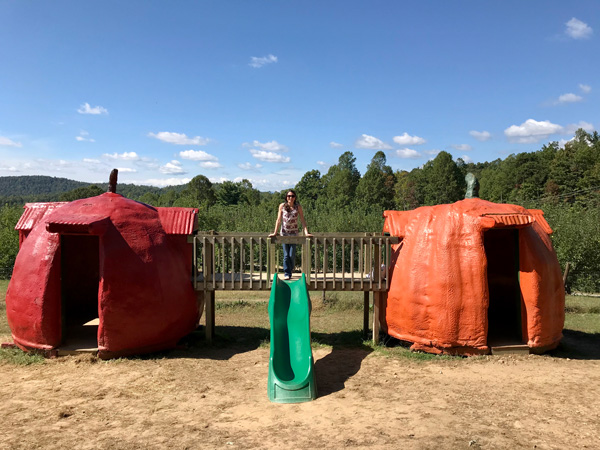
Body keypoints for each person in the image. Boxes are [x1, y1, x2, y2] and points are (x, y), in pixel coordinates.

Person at [269, 190, 312, 280]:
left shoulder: (298, 207)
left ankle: (290, 269)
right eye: (289, 196)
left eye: (292, 196)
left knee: (291, 255)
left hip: (294, 234)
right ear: (286, 197)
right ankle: (287, 273)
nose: (290, 198)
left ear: (295, 197)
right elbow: (278, 220)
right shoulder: (282, 206)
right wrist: (275, 232)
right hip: (284, 234)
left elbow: (302, 220)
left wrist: (306, 232)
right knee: (286, 255)